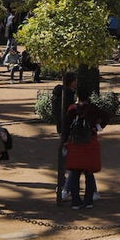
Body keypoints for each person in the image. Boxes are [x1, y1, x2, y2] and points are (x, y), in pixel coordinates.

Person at [65, 88, 110, 209]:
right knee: (89, 173)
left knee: (74, 173)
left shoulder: (71, 109)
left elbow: (66, 126)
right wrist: (97, 128)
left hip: (75, 144)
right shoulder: (93, 108)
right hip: (90, 143)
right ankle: (88, 201)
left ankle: (75, 201)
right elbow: (106, 116)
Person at [52, 72, 78, 200]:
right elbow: (70, 114)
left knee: (64, 156)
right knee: (68, 157)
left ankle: (63, 184)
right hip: (67, 130)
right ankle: (65, 187)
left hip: (60, 128)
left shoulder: (58, 94)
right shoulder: (68, 95)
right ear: (71, 82)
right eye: (75, 80)